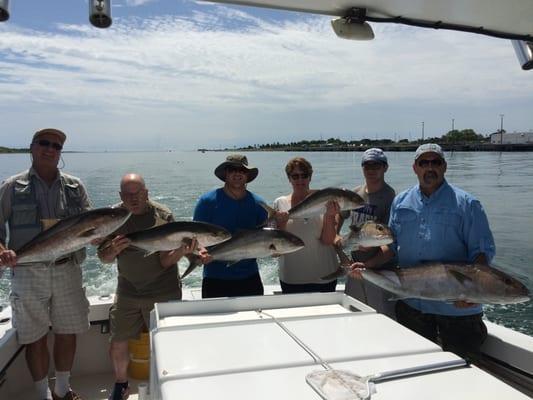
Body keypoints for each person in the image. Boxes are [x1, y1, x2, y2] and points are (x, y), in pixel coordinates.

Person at [348, 143, 495, 359]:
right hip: (411, 306)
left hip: (456, 310)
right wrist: (367, 266)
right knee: (415, 369)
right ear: (415, 168)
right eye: (423, 163)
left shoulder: (467, 204)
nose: (430, 167)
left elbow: (481, 254)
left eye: (435, 162)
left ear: (444, 166)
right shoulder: (401, 201)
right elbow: (391, 248)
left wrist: (475, 293)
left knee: (462, 374)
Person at [0, 128, 91, 400]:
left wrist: (99, 237)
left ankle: (63, 389)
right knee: (34, 336)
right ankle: (43, 395)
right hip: (28, 272)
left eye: (56, 146)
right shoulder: (10, 187)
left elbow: (90, 224)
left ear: (60, 153)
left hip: (67, 269)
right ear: (32, 147)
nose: (50, 149)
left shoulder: (76, 187)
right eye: (44, 143)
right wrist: (3, 251)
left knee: (68, 331)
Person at [97, 174, 202, 400]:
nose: (134, 199)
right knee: (118, 340)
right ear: (120, 196)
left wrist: (183, 251)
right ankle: (121, 384)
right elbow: (104, 258)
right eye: (128, 195)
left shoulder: (163, 216)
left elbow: (165, 261)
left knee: (166, 341)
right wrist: (113, 249)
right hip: (128, 289)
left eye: (138, 193)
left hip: (163, 289)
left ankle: (168, 383)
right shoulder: (113, 218)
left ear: (147, 192)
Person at [193, 154, 267, 298]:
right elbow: (194, 236)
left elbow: (266, 236)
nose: (238, 173)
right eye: (233, 169)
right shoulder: (207, 201)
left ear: (247, 175)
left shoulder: (259, 204)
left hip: (250, 277)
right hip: (215, 278)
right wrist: (201, 252)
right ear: (226, 173)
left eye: (242, 170)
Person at [272, 157, 340, 293]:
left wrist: (330, 215)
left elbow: (327, 240)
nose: (300, 180)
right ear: (289, 178)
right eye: (295, 176)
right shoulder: (280, 203)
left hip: (325, 277)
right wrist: (282, 223)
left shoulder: (328, 201)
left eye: (304, 175)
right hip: (292, 279)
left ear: (310, 177)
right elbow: (275, 251)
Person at [342, 148, 396, 317]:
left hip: (379, 270)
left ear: (385, 168)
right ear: (362, 168)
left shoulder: (390, 197)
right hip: (354, 267)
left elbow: (391, 240)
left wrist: (369, 263)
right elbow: (340, 216)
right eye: (367, 166)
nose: (371, 170)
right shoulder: (355, 193)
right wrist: (337, 239)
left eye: (376, 165)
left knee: (381, 317)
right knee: (353, 314)